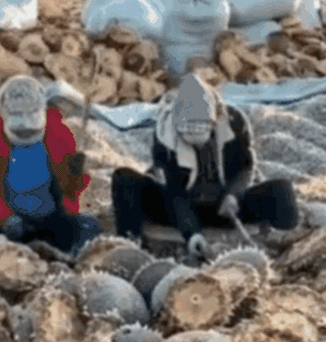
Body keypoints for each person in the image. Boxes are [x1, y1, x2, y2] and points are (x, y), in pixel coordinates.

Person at [111, 70, 299, 258]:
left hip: (226, 207)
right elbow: (174, 192)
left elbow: (245, 167)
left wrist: (233, 195)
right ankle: (131, 245)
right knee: (124, 179)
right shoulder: (165, 133)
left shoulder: (234, 123)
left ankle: (286, 248)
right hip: (179, 209)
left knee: (282, 189)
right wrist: (192, 234)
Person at [0, 75, 101, 254]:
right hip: (0, 223)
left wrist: (77, 176)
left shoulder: (60, 133)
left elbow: (69, 193)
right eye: (20, 132)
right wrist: (7, 220)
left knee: (89, 227)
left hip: (49, 220)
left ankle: (62, 255)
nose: (26, 135)